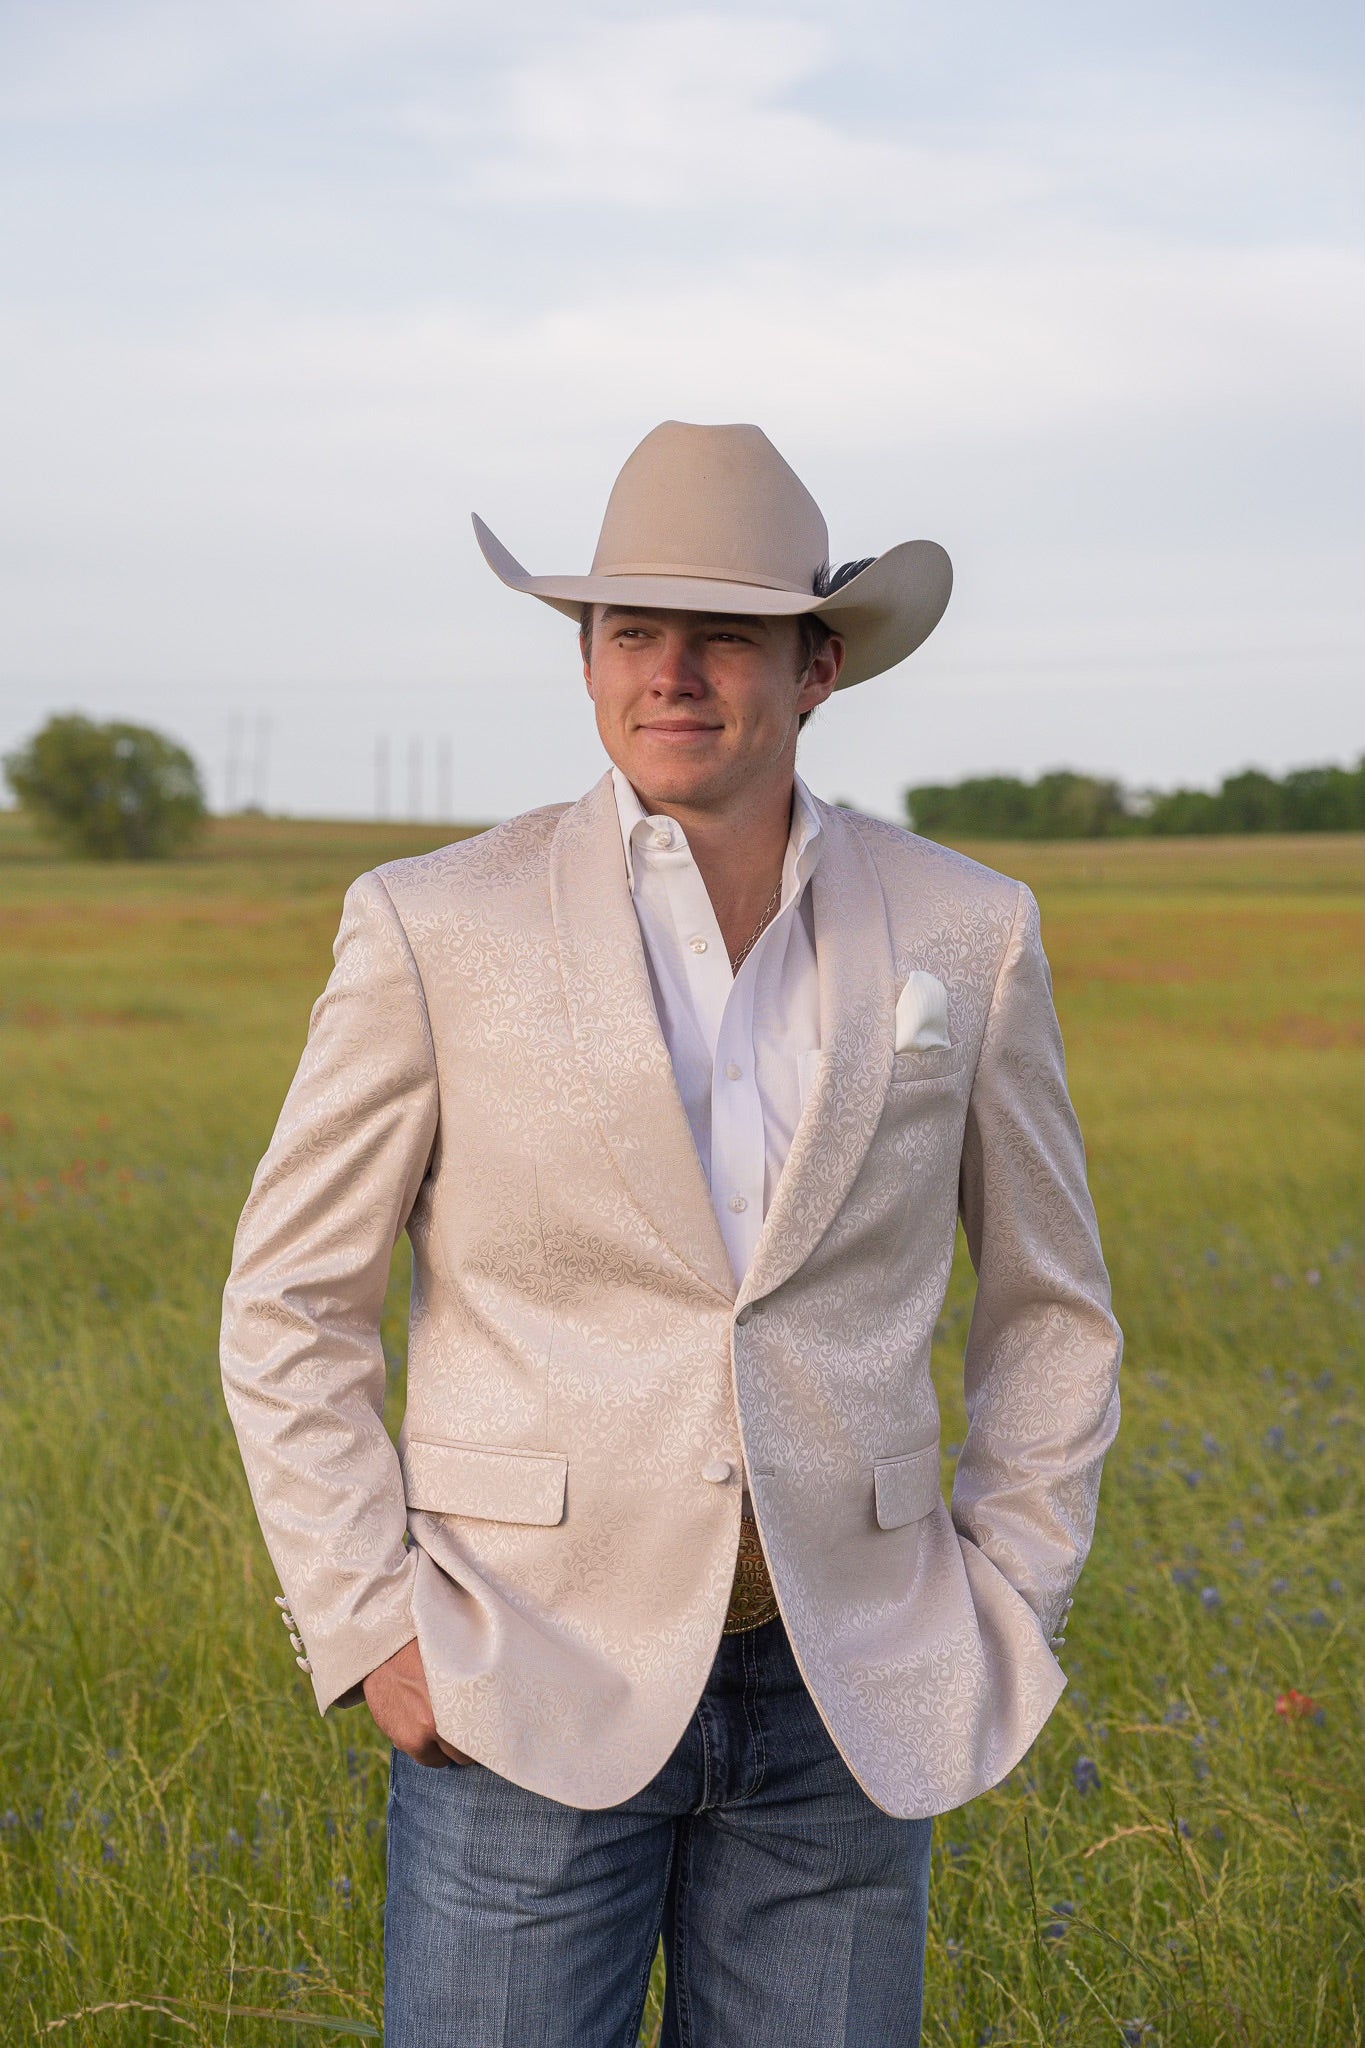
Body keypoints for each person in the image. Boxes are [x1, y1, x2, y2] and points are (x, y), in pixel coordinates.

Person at [221, 420, 1122, 2046]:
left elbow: (1052, 1307)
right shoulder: (434, 924)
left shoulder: (965, 928)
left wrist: (1009, 1595)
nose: (674, 673)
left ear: (817, 665)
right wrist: (367, 1626)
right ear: (585, 660)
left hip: (850, 1691)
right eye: (633, 631)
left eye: (725, 634)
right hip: (519, 1677)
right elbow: (290, 1302)